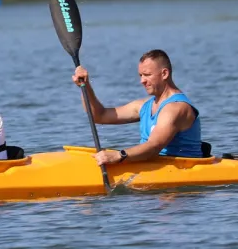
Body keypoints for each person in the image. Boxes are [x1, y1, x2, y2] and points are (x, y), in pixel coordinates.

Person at [72, 49, 203, 166]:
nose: (142, 81)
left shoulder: (176, 108)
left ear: (164, 74)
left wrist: (119, 155)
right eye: (141, 75)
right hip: (153, 164)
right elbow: (99, 115)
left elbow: (154, 146)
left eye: (147, 75)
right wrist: (85, 86)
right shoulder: (144, 106)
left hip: (182, 170)